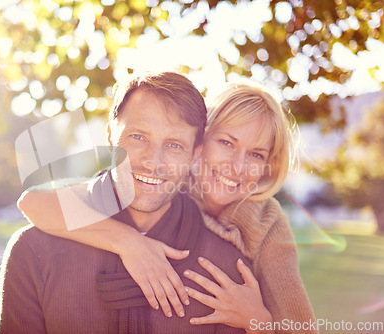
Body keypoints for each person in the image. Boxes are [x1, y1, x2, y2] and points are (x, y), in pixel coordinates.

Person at [17, 80, 317, 333]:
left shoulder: (265, 224)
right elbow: (34, 202)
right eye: (226, 143)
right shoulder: (164, 183)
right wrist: (127, 241)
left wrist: (257, 319)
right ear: (199, 143)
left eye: (256, 155)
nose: (237, 167)